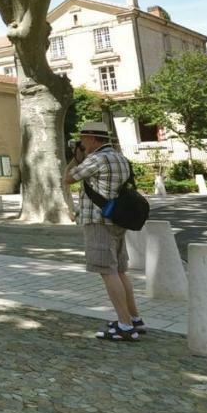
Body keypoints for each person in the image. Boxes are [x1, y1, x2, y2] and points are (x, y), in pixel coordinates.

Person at [64, 120, 145, 342]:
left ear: (91, 138)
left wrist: (76, 157)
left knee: (107, 272)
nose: (80, 142)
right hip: (118, 219)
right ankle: (134, 317)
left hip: (98, 221)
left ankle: (125, 325)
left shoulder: (96, 159)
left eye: (82, 139)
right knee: (119, 271)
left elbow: (68, 178)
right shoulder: (120, 158)